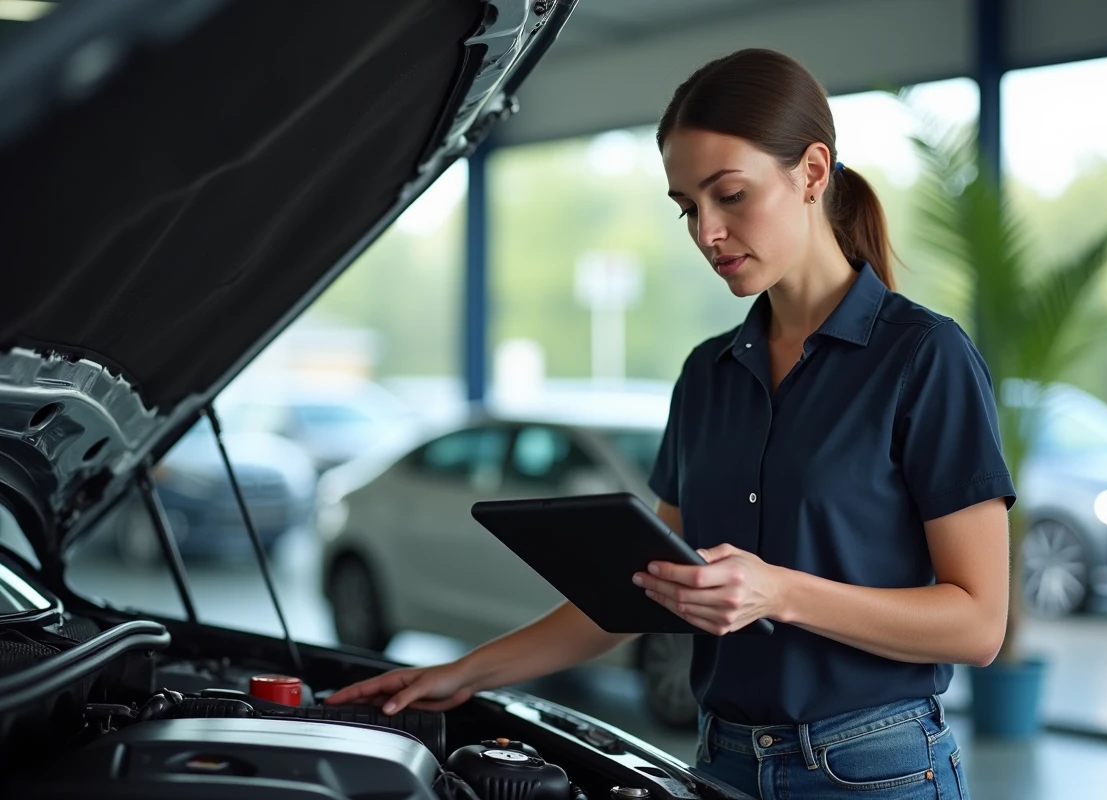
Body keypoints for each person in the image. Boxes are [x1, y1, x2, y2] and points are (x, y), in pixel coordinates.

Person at [326, 48, 1015, 800]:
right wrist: (458, 674)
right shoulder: (707, 375)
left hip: (874, 770)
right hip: (719, 761)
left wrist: (778, 592)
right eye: (688, 207)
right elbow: (641, 595)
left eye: (730, 196)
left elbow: (978, 624)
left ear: (812, 172)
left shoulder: (923, 357)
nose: (707, 233)